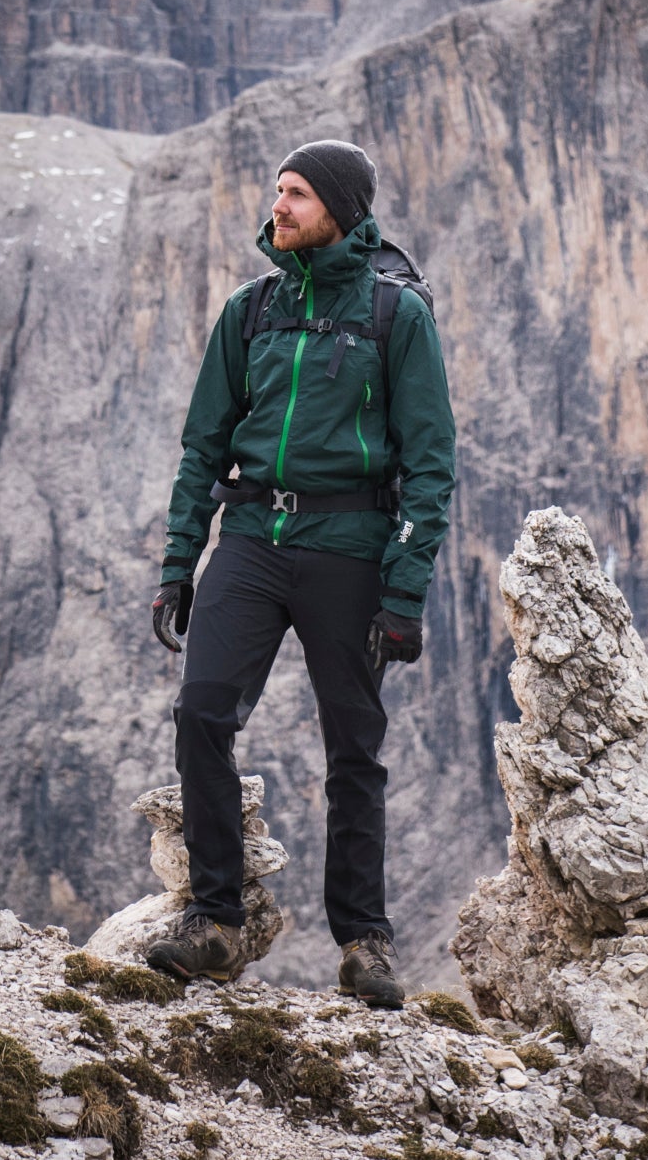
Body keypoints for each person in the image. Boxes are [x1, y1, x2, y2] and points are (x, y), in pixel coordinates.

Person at [143, 140, 456, 1007]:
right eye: (277, 191)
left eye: (298, 194)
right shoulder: (250, 311)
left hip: (350, 544)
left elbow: (431, 463)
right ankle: (215, 920)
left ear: (342, 209)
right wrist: (179, 561)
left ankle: (364, 941)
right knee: (202, 710)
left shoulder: (399, 317)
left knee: (354, 747)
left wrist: (403, 593)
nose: (277, 207)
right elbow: (203, 445)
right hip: (250, 535)